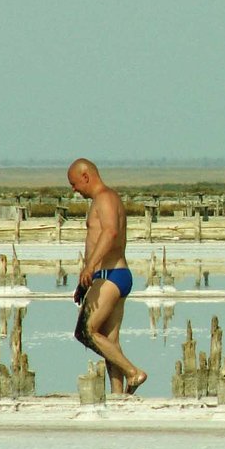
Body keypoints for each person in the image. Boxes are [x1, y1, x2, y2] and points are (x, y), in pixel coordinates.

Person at [67, 158, 147, 395]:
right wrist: (85, 282)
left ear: (86, 176)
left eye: (74, 183)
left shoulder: (105, 198)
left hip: (110, 275)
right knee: (110, 344)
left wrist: (89, 267)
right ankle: (118, 395)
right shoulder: (105, 199)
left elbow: (110, 232)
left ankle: (134, 373)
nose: (74, 190)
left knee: (85, 332)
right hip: (111, 275)